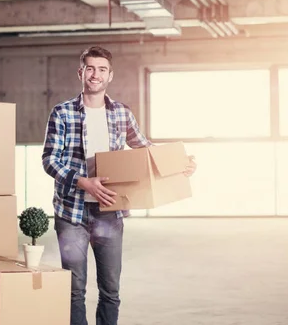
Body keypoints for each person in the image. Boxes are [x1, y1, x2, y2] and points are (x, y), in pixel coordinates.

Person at [41, 46, 197, 325]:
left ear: (110, 75)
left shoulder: (121, 114)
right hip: (71, 214)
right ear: (81, 72)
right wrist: (83, 182)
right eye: (90, 68)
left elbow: (146, 148)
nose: (95, 74)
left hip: (110, 212)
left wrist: (180, 164)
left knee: (110, 290)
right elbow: (49, 160)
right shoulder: (62, 113)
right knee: (74, 291)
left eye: (101, 69)